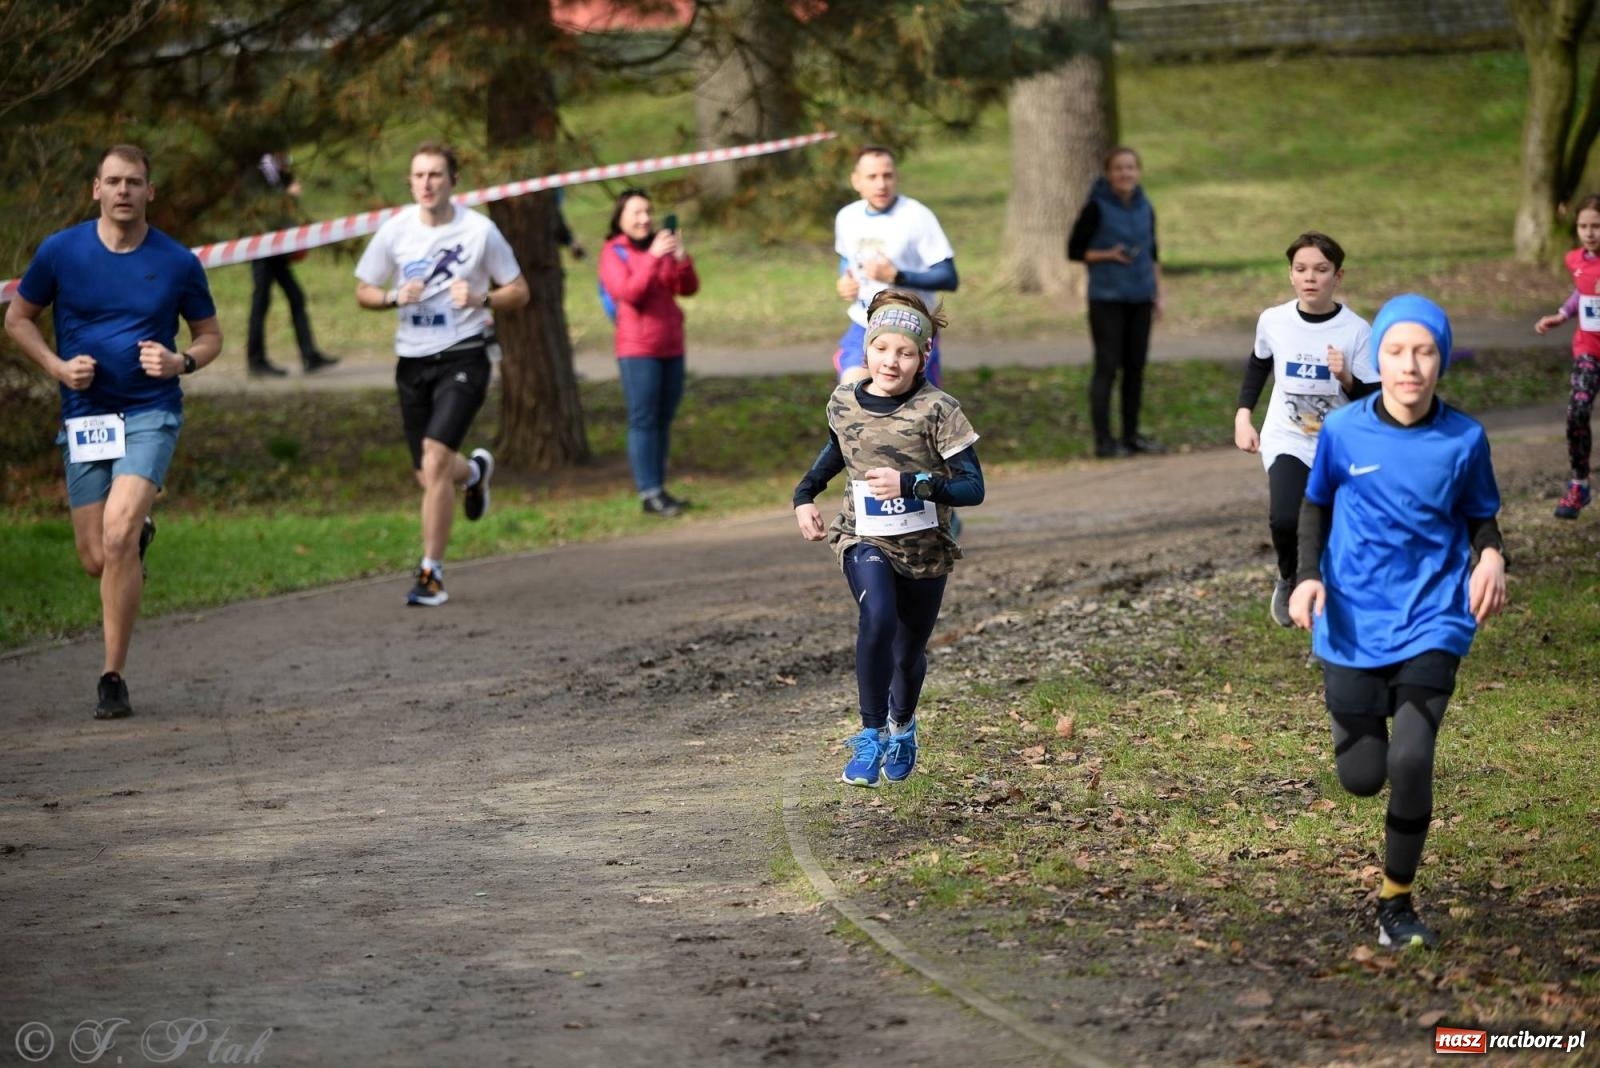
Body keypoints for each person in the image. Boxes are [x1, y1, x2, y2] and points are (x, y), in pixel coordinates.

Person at [1289, 294, 1506, 951]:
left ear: (1440, 359)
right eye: (1395, 352)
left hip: (1435, 615)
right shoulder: (1345, 431)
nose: (1409, 366)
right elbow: (1315, 508)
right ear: (1376, 360)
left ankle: (1396, 902)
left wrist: (1491, 554)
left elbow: (1480, 515)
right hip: (1352, 620)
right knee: (1362, 775)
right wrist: (1307, 576)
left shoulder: (1464, 438)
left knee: (1412, 759)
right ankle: (1354, 724)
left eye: (1424, 351)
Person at [4, 144, 223, 719]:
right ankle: (135, 533)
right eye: (114, 181)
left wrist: (182, 363)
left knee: (119, 534)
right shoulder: (61, 251)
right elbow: (17, 318)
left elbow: (209, 336)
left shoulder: (176, 262)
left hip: (151, 409)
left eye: (135, 182)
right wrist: (56, 367)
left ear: (150, 192)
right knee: (97, 556)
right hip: (87, 417)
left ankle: (112, 677)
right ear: (95, 189)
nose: (124, 191)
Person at [793, 290, 985, 788]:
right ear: (867, 349)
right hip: (863, 537)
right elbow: (836, 452)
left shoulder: (938, 410)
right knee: (876, 616)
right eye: (881, 349)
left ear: (924, 357)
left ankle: (903, 725)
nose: (891, 361)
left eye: (904, 352)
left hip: (924, 549)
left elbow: (973, 488)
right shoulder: (844, 403)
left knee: (907, 653)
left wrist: (914, 484)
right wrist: (804, 495)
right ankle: (871, 733)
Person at [354, 141, 530, 606]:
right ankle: (472, 473)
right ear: (410, 182)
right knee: (428, 474)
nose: (427, 183)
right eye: (418, 175)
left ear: (454, 180)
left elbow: (519, 290)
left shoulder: (480, 231)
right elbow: (364, 290)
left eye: (435, 174)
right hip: (412, 360)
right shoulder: (396, 231)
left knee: (433, 461)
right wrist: (394, 298)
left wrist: (481, 299)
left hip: (464, 354)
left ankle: (430, 574)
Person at [1234, 232, 1375, 627]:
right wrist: (1243, 415)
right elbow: (1259, 364)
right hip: (1287, 438)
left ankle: (1326, 621)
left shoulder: (1356, 330)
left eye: (1321, 269)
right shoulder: (1273, 320)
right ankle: (1289, 575)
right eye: (1301, 269)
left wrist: (1346, 376)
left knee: (1330, 533)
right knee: (1283, 519)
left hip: (1337, 445)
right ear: (1291, 275)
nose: (1310, 277)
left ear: (1338, 275)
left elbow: (1374, 396)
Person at [598, 187, 699, 517]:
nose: (644, 219)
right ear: (620, 219)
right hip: (638, 349)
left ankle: (660, 488)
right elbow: (629, 293)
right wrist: (654, 257)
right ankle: (648, 492)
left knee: (663, 419)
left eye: (647, 212)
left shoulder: (662, 244)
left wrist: (681, 258)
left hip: (672, 344)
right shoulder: (614, 252)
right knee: (643, 420)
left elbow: (686, 288)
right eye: (636, 213)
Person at [1067, 145, 1165, 458]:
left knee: (1135, 368)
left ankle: (1132, 435)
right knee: (1107, 368)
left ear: (1138, 172)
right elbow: (1074, 250)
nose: (1125, 174)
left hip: (1140, 297)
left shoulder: (1145, 206)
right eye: (1119, 168)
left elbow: (1153, 252)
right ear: (1108, 174)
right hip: (1107, 299)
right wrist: (1108, 254)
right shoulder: (1096, 206)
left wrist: (1158, 294)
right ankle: (1104, 441)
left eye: (1130, 168)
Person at [832, 146, 958, 388]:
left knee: (916, 412)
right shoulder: (847, 217)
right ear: (856, 181)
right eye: (872, 177)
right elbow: (847, 258)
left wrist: (898, 276)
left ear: (896, 177)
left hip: (911, 327)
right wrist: (845, 280)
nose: (881, 184)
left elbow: (948, 276)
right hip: (865, 323)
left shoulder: (917, 216)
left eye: (887, 175)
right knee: (851, 393)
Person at [1533, 192, 1600, 520]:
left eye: (1596, 226)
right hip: (1589, 351)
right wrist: (1562, 314)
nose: (1589, 233)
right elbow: (1582, 291)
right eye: (1583, 226)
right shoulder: (1576, 260)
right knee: (1576, 413)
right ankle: (1580, 484)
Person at [245, 151, 338, 377]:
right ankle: (256, 360)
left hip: (277, 249)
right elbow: (260, 208)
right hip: (262, 248)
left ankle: (310, 355)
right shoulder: (256, 174)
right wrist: (287, 195)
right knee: (261, 303)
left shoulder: (279, 176)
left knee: (296, 297)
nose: (287, 161)